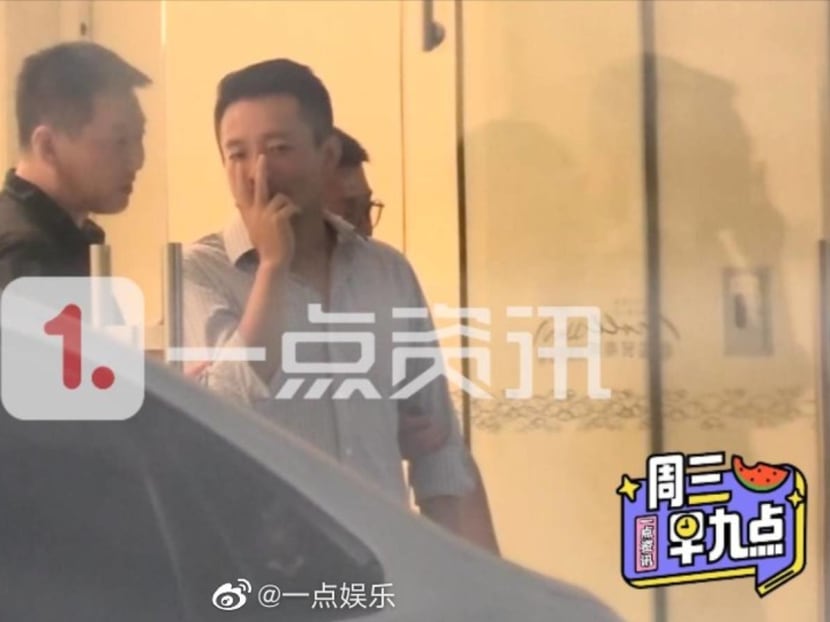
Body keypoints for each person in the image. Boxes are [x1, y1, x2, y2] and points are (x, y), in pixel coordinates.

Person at [182, 58, 486, 547]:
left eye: (279, 149)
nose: (258, 172)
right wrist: (273, 266)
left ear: (326, 155)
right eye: (236, 154)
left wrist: (480, 581)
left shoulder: (385, 271)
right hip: (264, 571)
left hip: (384, 565)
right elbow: (226, 409)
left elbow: (440, 455)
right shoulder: (198, 272)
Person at [324, 127, 500, 554]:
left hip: (383, 552)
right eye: (349, 211)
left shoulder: (388, 273)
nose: (365, 227)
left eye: (368, 207)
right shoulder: (211, 275)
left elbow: (441, 450)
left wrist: (490, 580)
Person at [0, 41, 149, 289]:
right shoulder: (23, 256)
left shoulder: (66, 237)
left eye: (139, 136)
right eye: (119, 141)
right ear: (48, 147)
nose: (138, 160)